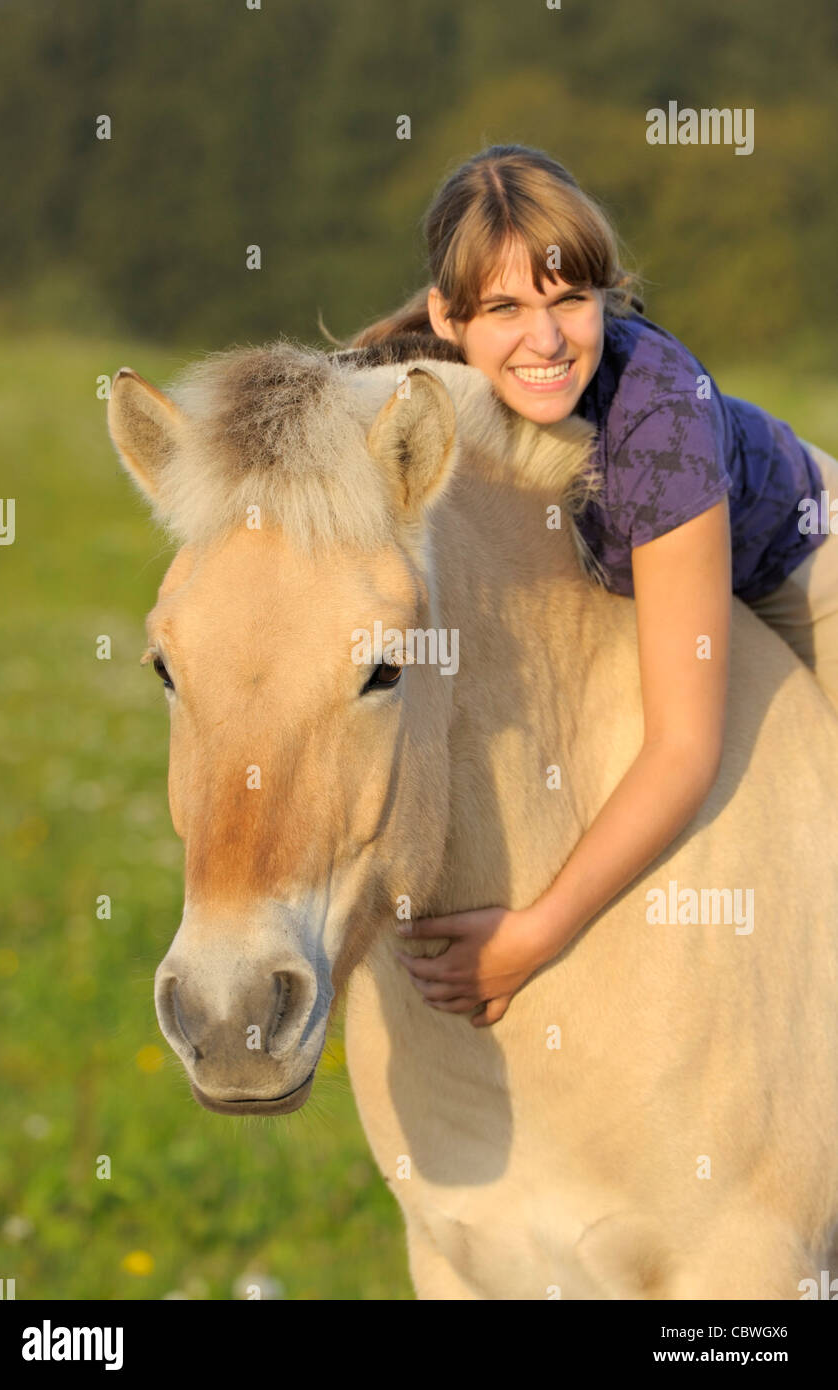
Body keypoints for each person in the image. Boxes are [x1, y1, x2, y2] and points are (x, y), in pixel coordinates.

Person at [341, 143, 838, 1027]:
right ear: (446, 319)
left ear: (603, 296)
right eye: (506, 308)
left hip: (805, 568)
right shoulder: (410, 380)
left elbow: (684, 748)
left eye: (571, 299)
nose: (546, 340)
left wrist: (535, 934)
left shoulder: (657, 416)